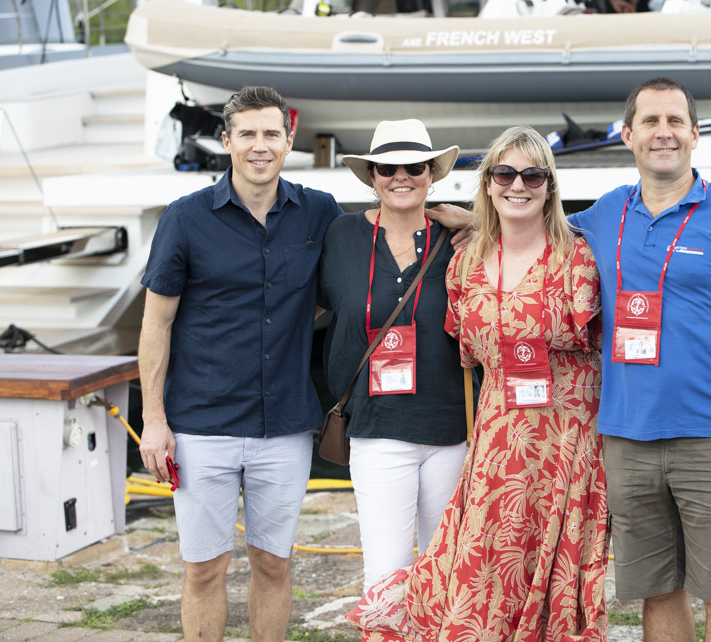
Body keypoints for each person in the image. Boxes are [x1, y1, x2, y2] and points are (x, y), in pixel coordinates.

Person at [347, 125, 608, 641]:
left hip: (564, 449)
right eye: (504, 174)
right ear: (487, 183)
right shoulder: (465, 264)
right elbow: (468, 349)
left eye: (533, 175)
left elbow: (620, 326)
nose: (518, 185)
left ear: (550, 185)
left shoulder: (579, 257)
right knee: (478, 573)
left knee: (552, 577)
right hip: (495, 444)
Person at [567, 76, 711, 642]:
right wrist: (465, 222)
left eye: (674, 122)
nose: (662, 133)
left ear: (694, 134)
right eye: (650, 121)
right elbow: (529, 231)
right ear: (627, 135)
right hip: (627, 437)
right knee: (657, 590)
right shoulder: (606, 213)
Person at [137, 86, 343, 642]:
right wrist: (154, 420)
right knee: (204, 570)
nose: (260, 145)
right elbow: (155, 324)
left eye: (271, 133)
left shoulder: (319, 212)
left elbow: (355, 271)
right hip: (202, 426)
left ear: (289, 141)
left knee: (273, 565)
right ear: (226, 141)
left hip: (286, 425)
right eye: (247, 134)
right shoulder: (184, 219)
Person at [320, 119, 475, 593]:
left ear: (432, 174)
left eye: (414, 166)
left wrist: (477, 222)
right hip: (376, 427)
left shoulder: (462, 238)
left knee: (444, 576)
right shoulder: (341, 236)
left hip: (451, 430)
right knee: (386, 578)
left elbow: (536, 237)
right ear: (372, 176)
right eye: (387, 168)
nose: (401, 176)